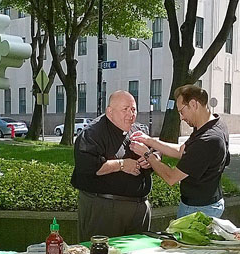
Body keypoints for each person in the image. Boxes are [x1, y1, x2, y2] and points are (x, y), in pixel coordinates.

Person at [129, 84, 230, 218]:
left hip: (198, 210)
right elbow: (182, 151)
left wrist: (147, 155)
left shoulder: (207, 140)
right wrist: (150, 141)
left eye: (181, 111)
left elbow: (171, 177)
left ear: (194, 104)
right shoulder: (213, 124)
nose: (181, 117)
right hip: (208, 204)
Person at [71, 90, 153, 242]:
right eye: (125, 109)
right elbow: (88, 167)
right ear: (110, 111)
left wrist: (149, 159)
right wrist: (121, 165)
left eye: (133, 109)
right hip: (105, 208)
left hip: (139, 209)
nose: (131, 114)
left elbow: (156, 154)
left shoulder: (139, 130)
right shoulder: (92, 134)